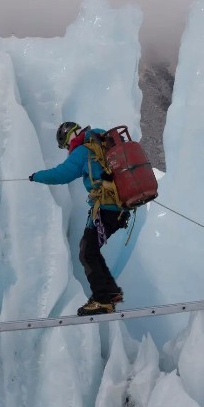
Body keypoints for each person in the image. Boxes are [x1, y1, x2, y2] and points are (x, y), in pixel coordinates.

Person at [29, 121, 129, 316]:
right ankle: (110, 292)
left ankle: (102, 299)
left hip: (106, 208)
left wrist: (36, 176)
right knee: (90, 249)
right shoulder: (102, 141)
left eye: (66, 144)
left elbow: (61, 174)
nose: (68, 148)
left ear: (71, 136)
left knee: (87, 251)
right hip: (119, 209)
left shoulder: (83, 150)